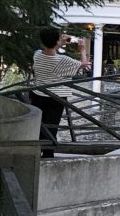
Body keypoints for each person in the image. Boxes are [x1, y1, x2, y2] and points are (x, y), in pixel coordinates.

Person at [30, 26, 89, 157]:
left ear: (42, 41)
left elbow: (48, 53)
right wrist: (82, 50)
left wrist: (59, 44)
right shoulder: (63, 60)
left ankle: (36, 152)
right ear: (56, 41)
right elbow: (85, 64)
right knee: (52, 126)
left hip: (38, 94)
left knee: (41, 125)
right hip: (56, 97)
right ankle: (48, 154)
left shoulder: (37, 55)